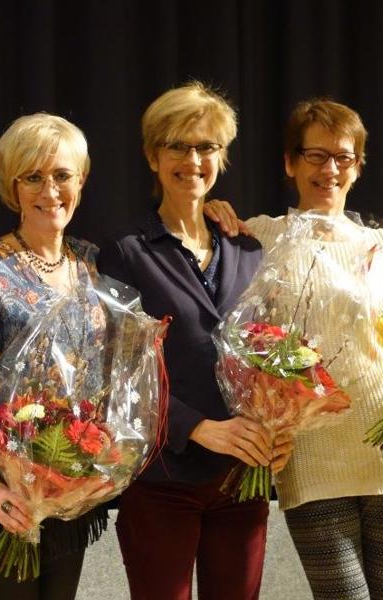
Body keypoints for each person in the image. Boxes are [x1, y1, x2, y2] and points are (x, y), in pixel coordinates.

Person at [228, 98, 383, 600]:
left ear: (358, 168)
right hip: (311, 453)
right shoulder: (259, 236)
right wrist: (214, 209)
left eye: (343, 158)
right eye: (316, 156)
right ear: (289, 162)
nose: (330, 169)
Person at [96, 81, 293, 600]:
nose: (193, 159)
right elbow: (117, 375)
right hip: (164, 480)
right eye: (177, 146)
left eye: (207, 147)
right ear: (151, 156)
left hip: (241, 478)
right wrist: (199, 427)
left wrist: (283, 422)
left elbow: (272, 353)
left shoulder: (247, 248)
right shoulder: (126, 252)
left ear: (222, 157)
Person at [0, 113, 110, 600]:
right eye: (33, 176)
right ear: (12, 187)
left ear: (81, 180)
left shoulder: (92, 265)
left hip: (69, 492)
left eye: (61, 175)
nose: (49, 190)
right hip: (3, 502)